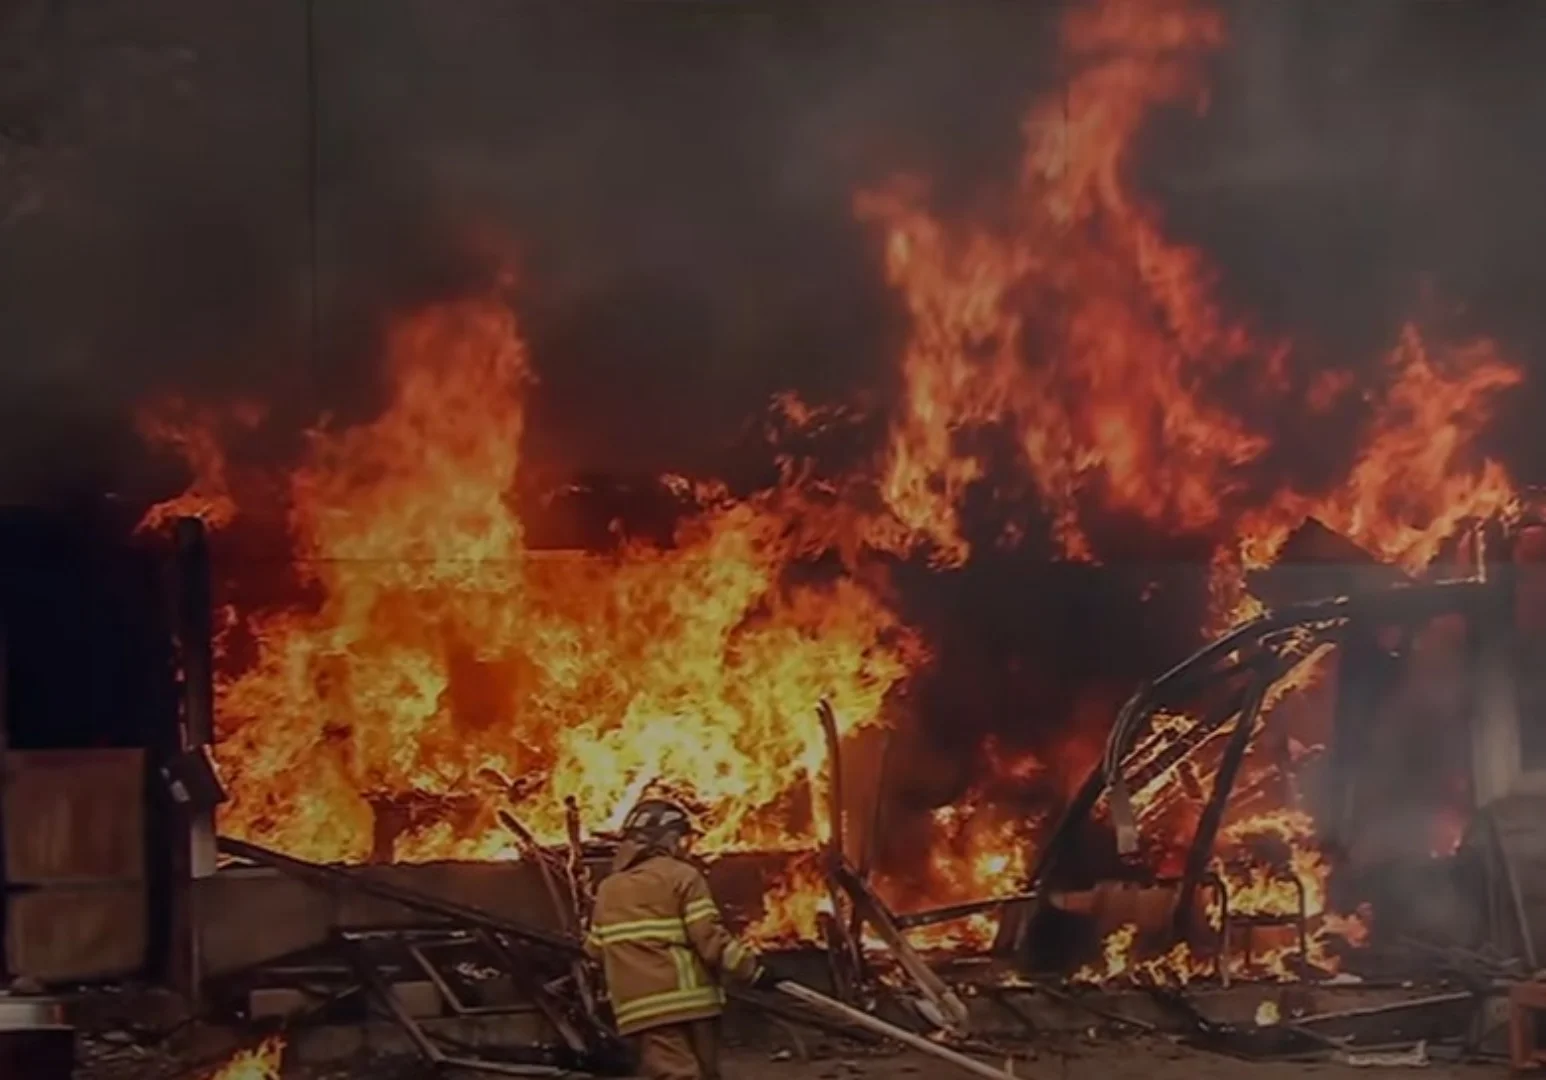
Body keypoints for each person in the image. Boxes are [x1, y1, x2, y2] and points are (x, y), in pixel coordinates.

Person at [584, 796, 779, 1080]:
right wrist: (752, 970)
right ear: (668, 840)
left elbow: (595, 950)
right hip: (694, 1003)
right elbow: (710, 940)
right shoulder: (682, 877)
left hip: (641, 1011)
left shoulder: (608, 889)